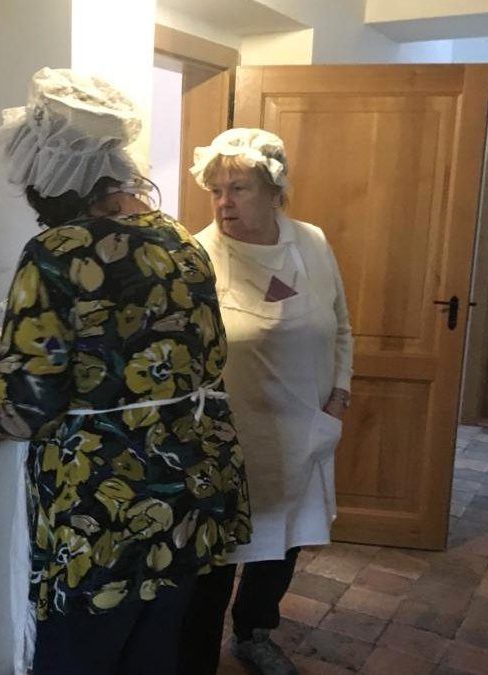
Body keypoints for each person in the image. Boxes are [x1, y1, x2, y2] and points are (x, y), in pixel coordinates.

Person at [0, 67, 251, 675]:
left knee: (76, 657)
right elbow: (207, 359)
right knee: (157, 655)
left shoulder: (56, 256)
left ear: (58, 179)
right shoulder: (182, 241)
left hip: (101, 506)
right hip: (188, 490)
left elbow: (25, 406)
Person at [178, 128, 353, 675]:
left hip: (304, 425)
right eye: (216, 189)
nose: (224, 202)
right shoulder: (197, 257)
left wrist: (339, 399)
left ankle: (255, 632)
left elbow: (343, 327)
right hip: (229, 437)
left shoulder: (313, 242)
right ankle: (197, 656)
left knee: (283, 544)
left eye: (240, 188)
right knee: (216, 557)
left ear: (276, 191)